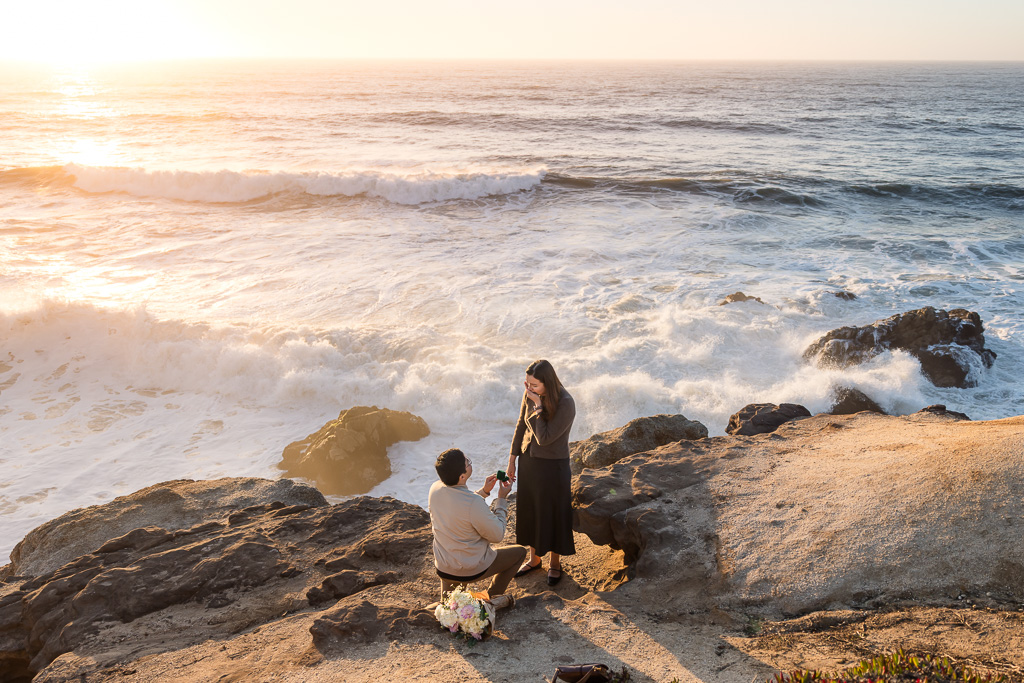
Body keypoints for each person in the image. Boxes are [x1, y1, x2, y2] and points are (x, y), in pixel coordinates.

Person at [506, 359, 576, 586]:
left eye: (534, 384)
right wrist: (512, 460)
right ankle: (534, 559)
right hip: (530, 463)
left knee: (554, 514)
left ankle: (555, 564)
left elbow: (544, 438)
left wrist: (537, 405)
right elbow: (520, 426)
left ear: (547, 382)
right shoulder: (531, 394)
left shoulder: (566, 403)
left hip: (553, 465)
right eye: (527, 384)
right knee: (531, 511)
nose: (529, 388)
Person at [428, 448, 526, 606]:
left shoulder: (435, 489)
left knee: (448, 607)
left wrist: (484, 492)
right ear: (462, 476)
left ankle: (452, 602)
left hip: (445, 568)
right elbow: (497, 535)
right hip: (470, 570)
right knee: (520, 553)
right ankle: (490, 600)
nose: (469, 462)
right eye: (467, 462)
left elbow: (459, 506)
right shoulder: (473, 502)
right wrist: (501, 499)